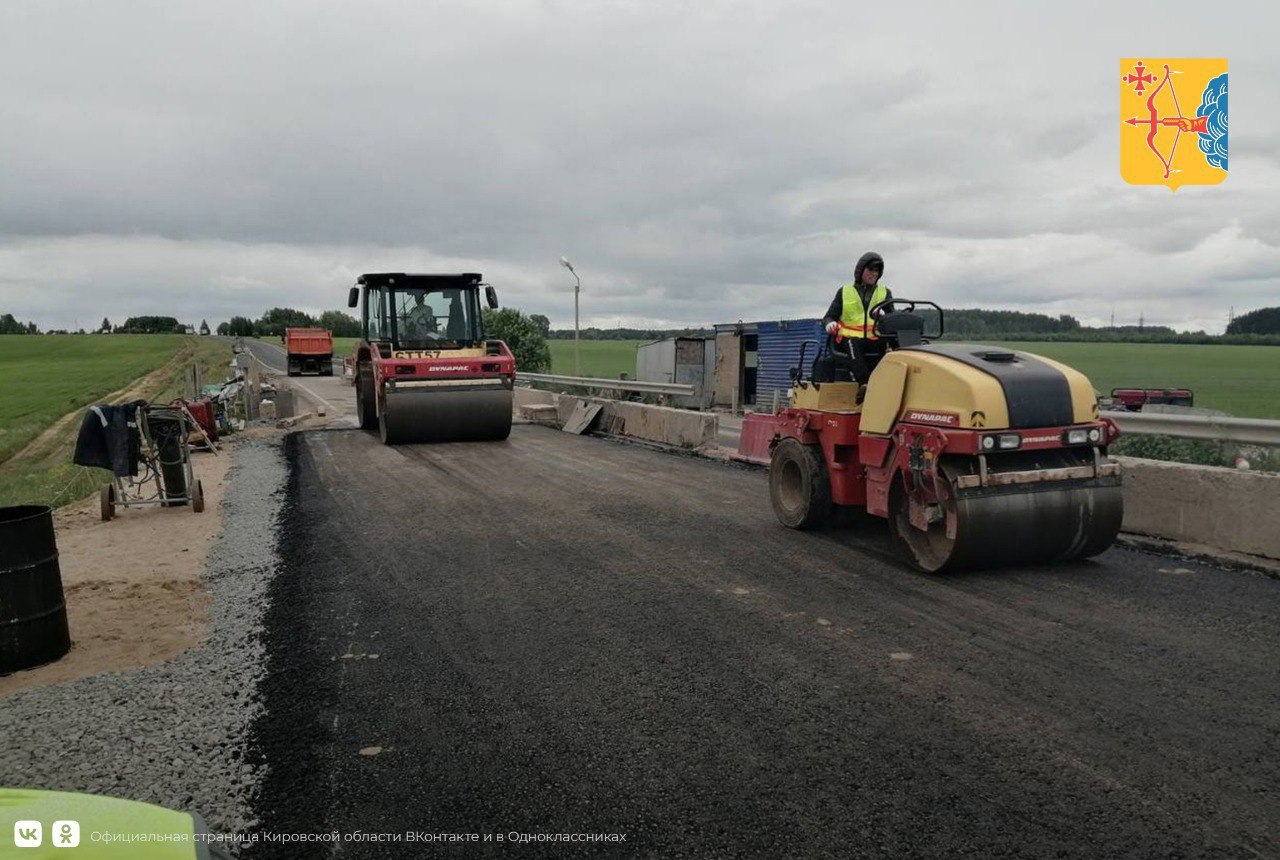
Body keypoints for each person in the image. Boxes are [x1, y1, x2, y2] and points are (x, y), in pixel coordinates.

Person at [820, 251, 892, 382]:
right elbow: (829, 317)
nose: (874, 274)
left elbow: (893, 319)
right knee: (853, 345)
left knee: (893, 345)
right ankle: (865, 384)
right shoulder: (845, 291)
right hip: (849, 339)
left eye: (877, 271)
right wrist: (830, 324)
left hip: (874, 339)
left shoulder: (884, 292)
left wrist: (884, 316)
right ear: (861, 270)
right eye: (870, 270)